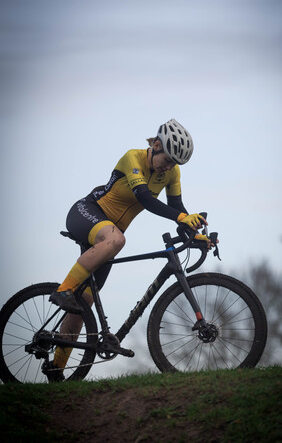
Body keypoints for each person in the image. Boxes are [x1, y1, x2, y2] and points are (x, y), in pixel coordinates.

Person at [45, 119, 213, 381]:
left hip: (107, 235)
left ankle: (56, 370)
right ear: (156, 145)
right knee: (117, 240)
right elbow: (145, 199)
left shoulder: (172, 173)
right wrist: (181, 218)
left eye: (174, 164)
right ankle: (63, 289)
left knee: (83, 305)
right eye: (167, 159)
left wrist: (195, 232)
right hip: (88, 212)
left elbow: (177, 207)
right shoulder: (132, 158)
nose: (169, 167)